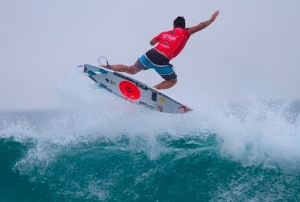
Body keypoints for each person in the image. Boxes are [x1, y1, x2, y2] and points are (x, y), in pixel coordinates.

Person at [99, 10, 220, 90]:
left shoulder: (164, 33)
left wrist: (162, 40)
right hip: (161, 60)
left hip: (149, 55)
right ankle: (154, 90)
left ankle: (105, 67)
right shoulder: (185, 32)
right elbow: (200, 26)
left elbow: (151, 42)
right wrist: (211, 20)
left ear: (173, 25)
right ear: (183, 26)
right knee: (172, 81)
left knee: (131, 69)